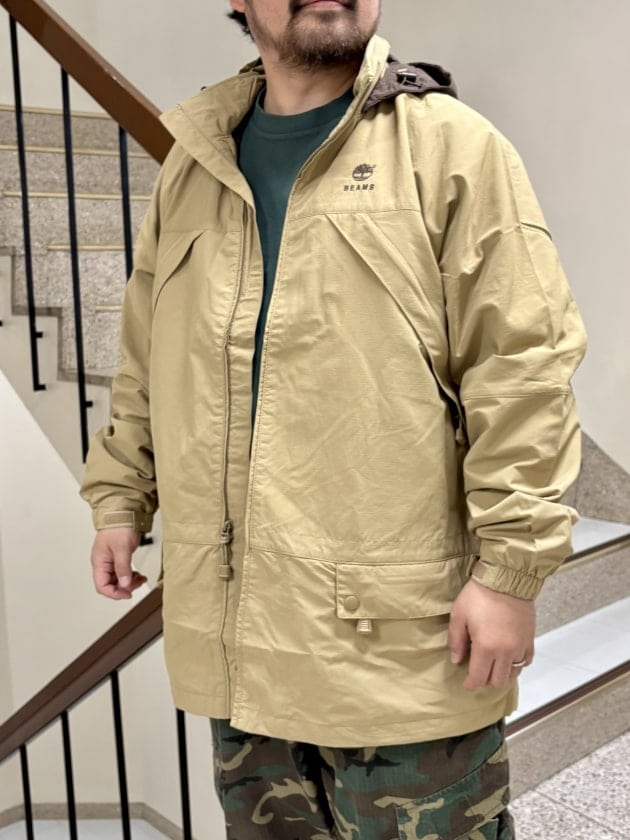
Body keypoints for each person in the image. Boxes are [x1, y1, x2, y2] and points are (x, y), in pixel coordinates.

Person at [80, 1, 587, 837]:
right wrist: (121, 497)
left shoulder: (451, 146)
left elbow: (523, 366)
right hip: (240, 649)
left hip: (399, 656)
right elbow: (147, 353)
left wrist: (509, 571)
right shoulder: (197, 162)